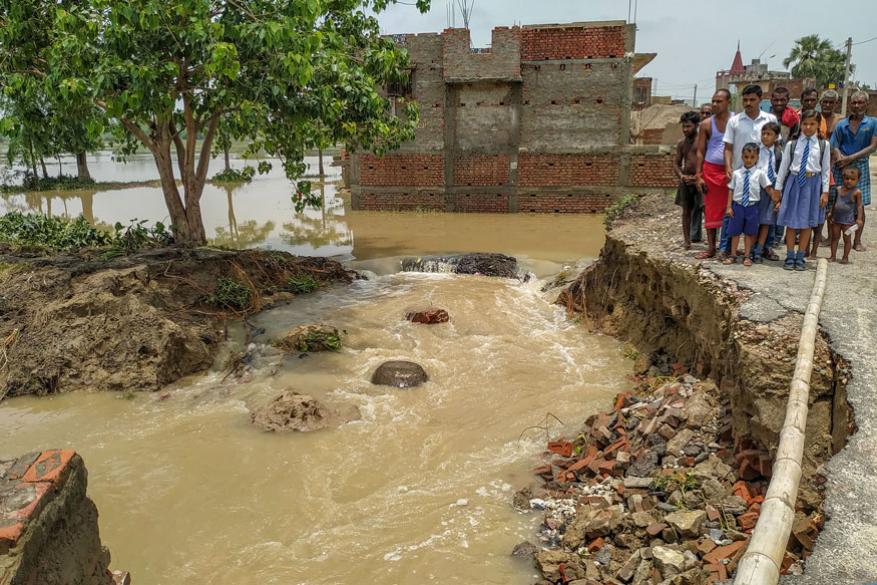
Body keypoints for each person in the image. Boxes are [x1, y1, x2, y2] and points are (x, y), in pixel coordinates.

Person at [722, 85, 778, 258]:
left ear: (760, 99)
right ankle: (725, 249)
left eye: (752, 99)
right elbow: (728, 147)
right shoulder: (735, 121)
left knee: (763, 217)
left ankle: (762, 249)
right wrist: (728, 167)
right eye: (745, 100)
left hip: (763, 177)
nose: (748, 103)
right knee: (732, 214)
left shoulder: (770, 119)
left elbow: (777, 146)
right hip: (740, 175)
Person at [776, 109, 831, 270]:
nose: (808, 127)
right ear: (800, 125)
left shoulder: (823, 145)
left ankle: (801, 256)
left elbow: (826, 169)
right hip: (794, 184)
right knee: (792, 223)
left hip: (812, 185)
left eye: (812, 124)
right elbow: (783, 168)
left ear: (818, 125)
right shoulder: (792, 144)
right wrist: (778, 189)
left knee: (807, 223)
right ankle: (790, 255)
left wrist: (825, 192)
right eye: (805, 124)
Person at [831, 90, 877, 251]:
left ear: (867, 104)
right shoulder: (842, 124)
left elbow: (873, 146)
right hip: (841, 166)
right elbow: (834, 144)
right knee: (836, 201)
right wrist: (840, 157)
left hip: (860, 166)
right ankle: (833, 237)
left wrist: (851, 158)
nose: (856, 106)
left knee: (860, 204)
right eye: (854, 103)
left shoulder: (872, 123)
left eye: (860, 103)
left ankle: (857, 240)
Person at [695, 90, 732, 259]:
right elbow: (700, 151)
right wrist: (699, 174)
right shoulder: (706, 124)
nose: (716, 104)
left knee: (731, 209)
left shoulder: (736, 121)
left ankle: (728, 247)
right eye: (714, 101)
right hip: (711, 170)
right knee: (711, 210)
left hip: (730, 171)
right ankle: (711, 247)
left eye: (719, 101)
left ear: (728, 102)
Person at [725, 143, 772, 266]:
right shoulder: (736, 174)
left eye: (752, 157)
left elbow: (768, 188)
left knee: (749, 233)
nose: (749, 160)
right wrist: (729, 207)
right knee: (735, 232)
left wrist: (777, 200)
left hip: (752, 207)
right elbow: (731, 189)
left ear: (757, 158)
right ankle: (733, 255)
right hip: (738, 206)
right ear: (742, 157)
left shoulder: (759, 174)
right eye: (746, 157)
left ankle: (747, 256)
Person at [811, 89, 842, 256]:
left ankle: (831, 237)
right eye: (825, 102)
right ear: (820, 102)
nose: (828, 104)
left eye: (831, 102)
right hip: (815, 164)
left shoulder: (840, 120)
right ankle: (813, 237)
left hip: (834, 164)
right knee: (814, 203)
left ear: (836, 103)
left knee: (832, 203)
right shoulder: (814, 118)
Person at [752, 122, 782, 262]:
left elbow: (780, 173)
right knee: (754, 221)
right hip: (758, 188)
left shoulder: (778, 153)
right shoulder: (756, 150)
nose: (765, 137)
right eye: (763, 133)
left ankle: (759, 250)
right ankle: (751, 250)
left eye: (769, 134)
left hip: (772, 188)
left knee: (766, 221)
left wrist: (777, 193)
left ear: (776, 137)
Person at [675, 111, 702, 249]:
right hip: (686, 181)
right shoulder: (681, 143)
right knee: (686, 211)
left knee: (706, 209)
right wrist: (682, 176)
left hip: (700, 180)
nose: (686, 130)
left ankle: (712, 242)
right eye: (684, 127)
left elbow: (707, 161)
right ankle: (687, 240)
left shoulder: (702, 141)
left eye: (689, 126)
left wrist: (699, 177)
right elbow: (677, 164)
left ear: (696, 125)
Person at [828, 165, 865, 264]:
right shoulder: (838, 189)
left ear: (858, 179)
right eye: (847, 178)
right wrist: (831, 214)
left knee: (847, 239)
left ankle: (845, 257)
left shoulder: (857, 192)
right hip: (836, 219)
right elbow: (835, 202)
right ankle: (833, 256)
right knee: (835, 237)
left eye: (852, 179)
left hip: (848, 221)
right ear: (843, 178)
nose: (849, 181)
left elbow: (859, 206)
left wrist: (859, 218)